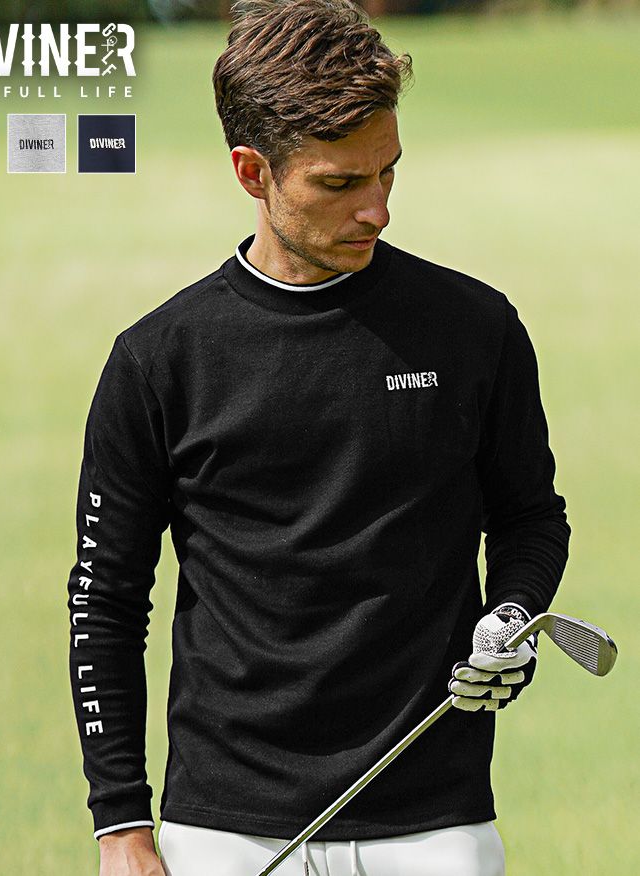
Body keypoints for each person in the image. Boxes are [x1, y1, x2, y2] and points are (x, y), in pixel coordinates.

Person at [66, 1, 570, 874]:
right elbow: (104, 599)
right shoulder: (159, 360)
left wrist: (511, 616)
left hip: (435, 823)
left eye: (388, 173)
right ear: (251, 171)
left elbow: (530, 516)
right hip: (222, 828)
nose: (377, 210)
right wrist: (121, 825)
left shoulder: (474, 328)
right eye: (340, 185)